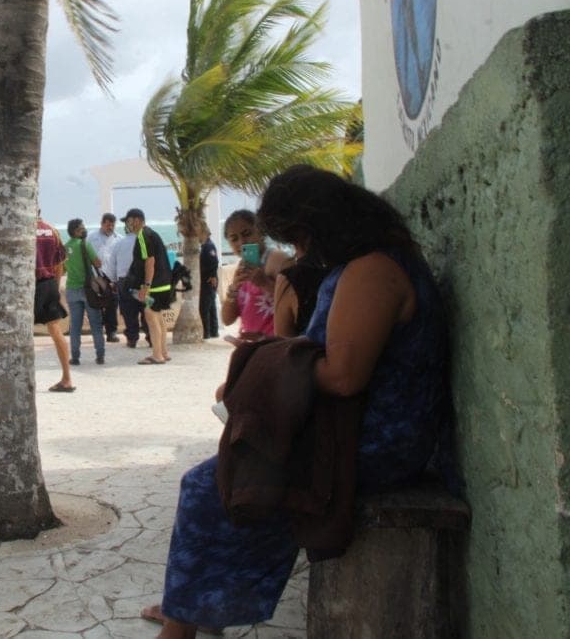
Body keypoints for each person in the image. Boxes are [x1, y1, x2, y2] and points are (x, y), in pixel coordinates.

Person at [146, 165, 450, 637]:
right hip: (357, 428)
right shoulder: (370, 263)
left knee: (214, 484)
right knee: (232, 470)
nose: (299, 252)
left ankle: (183, 622)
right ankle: (193, 607)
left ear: (321, 227)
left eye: (298, 240)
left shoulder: (373, 271)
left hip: (377, 443)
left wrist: (260, 369)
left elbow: (343, 376)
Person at [221, 209, 290, 344]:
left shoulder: (278, 259)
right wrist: (234, 288)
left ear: (261, 232)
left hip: (277, 347)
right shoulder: (242, 267)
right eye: (234, 239)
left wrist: (264, 283)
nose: (241, 242)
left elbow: (296, 302)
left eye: (247, 234)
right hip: (254, 349)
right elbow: (227, 320)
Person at [122, 208, 174, 365]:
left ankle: (157, 355)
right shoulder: (152, 233)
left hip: (155, 285)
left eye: (128, 221)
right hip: (164, 283)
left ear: (136, 220)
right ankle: (164, 352)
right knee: (158, 317)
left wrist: (146, 285)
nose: (127, 225)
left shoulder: (143, 236)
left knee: (150, 315)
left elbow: (149, 261)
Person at [35, 213, 74, 392]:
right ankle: (67, 378)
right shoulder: (52, 231)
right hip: (50, 284)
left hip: (30, 285)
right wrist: (56, 289)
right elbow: (59, 265)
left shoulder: (22, 230)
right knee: (56, 331)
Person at [64, 218, 105, 365]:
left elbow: (63, 268)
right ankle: (100, 355)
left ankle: (75, 357)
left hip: (71, 289)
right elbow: (98, 263)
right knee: (95, 324)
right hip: (89, 290)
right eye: (82, 228)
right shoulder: (85, 244)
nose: (84, 230)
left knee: (75, 326)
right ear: (76, 231)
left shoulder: (64, 247)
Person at [86, 212, 121, 342]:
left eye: (112, 225)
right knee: (96, 305)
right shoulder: (91, 236)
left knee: (112, 305)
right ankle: (98, 332)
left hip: (112, 278)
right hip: (96, 277)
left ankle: (111, 333)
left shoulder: (119, 239)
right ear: (102, 224)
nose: (110, 227)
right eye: (107, 225)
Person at [112, 224, 148, 348]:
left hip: (124, 282)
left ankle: (132, 339)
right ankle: (151, 337)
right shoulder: (144, 241)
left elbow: (113, 264)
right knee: (146, 310)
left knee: (129, 312)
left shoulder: (119, 243)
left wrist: (114, 281)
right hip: (143, 280)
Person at [199, 226, 220, 339]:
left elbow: (214, 262)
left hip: (208, 280)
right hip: (207, 279)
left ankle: (206, 332)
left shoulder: (208, 246)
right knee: (211, 307)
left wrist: (212, 276)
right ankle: (213, 331)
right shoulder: (205, 246)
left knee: (205, 307)